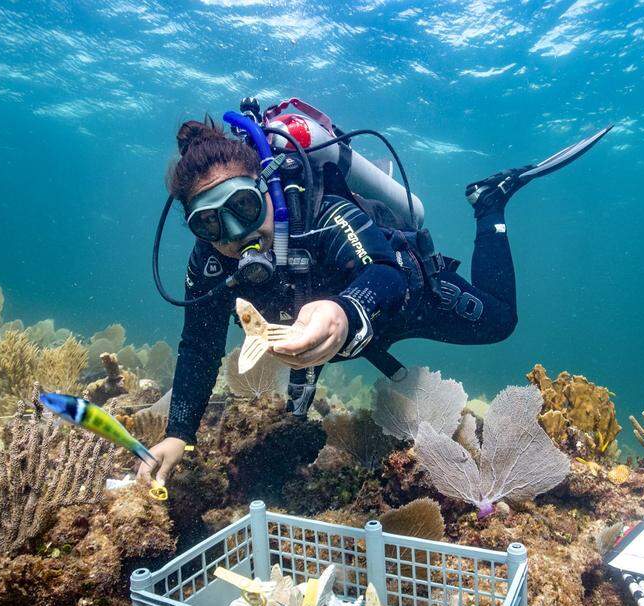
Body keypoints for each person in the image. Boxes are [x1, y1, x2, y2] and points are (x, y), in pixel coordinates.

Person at [139, 117, 608, 485]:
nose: (235, 234)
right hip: (322, 335)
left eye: (243, 207)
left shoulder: (320, 210)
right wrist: (178, 433)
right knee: (291, 425)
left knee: (499, 321)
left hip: (402, 301)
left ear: (266, 189)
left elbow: (382, 272)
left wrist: (344, 311)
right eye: (210, 224)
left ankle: (489, 204)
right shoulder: (210, 263)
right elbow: (198, 348)